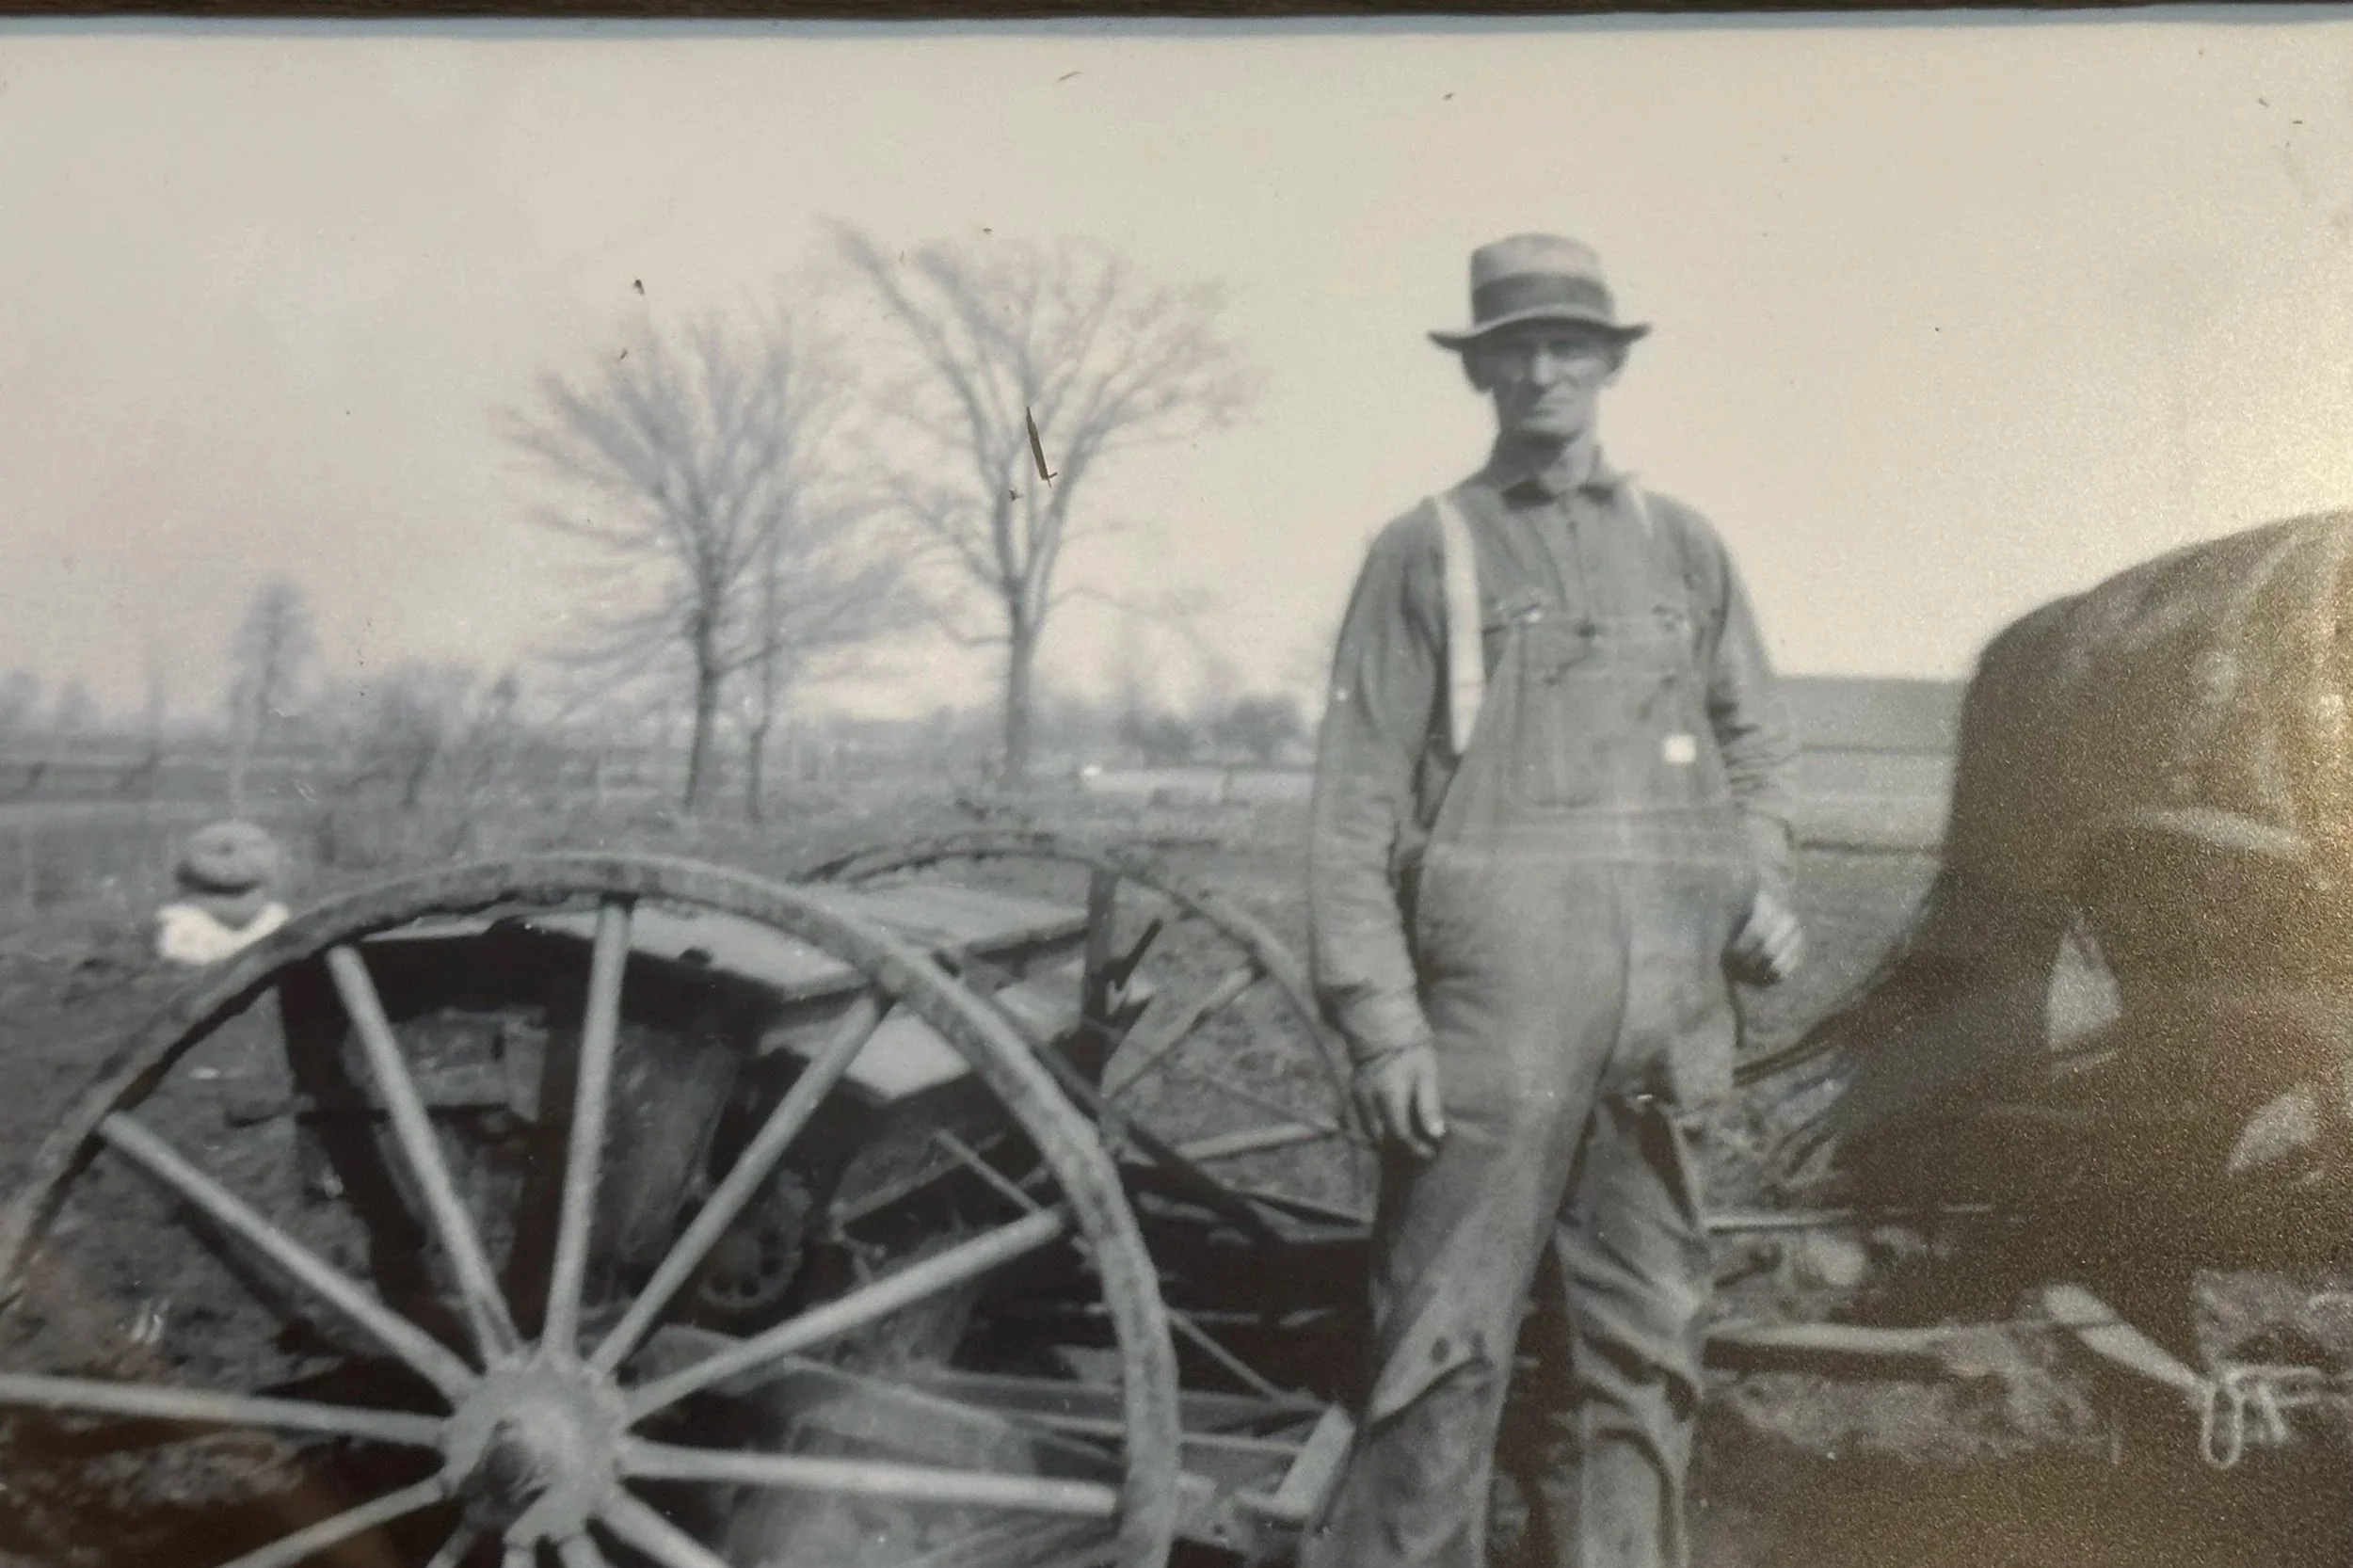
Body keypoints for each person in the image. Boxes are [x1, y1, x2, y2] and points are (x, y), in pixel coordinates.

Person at [1304, 233, 1806, 1568]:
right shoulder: (1429, 553)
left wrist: (1763, 879)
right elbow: (1353, 808)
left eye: (1566, 346)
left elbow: (1755, 747)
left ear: (1606, 364)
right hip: (1489, 1025)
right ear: (1482, 372)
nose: (1542, 370)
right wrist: (1382, 1024)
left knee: (1645, 1352)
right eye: (1513, 348)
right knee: (1439, 1349)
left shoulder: (1682, 548)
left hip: (1667, 1023)